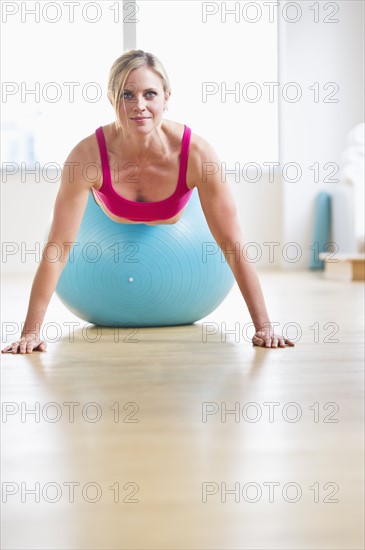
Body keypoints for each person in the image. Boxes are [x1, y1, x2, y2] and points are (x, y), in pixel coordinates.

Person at [2, 49, 295, 354]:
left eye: (150, 94)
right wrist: (30, 333)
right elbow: (59, 248)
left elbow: (233, 244)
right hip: (105, 216)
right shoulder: (87, 157)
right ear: (112, 97)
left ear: (166, 97)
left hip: (180, 218)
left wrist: (264, 328)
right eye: (127, 95)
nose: (138, 106)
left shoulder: (197, 155)